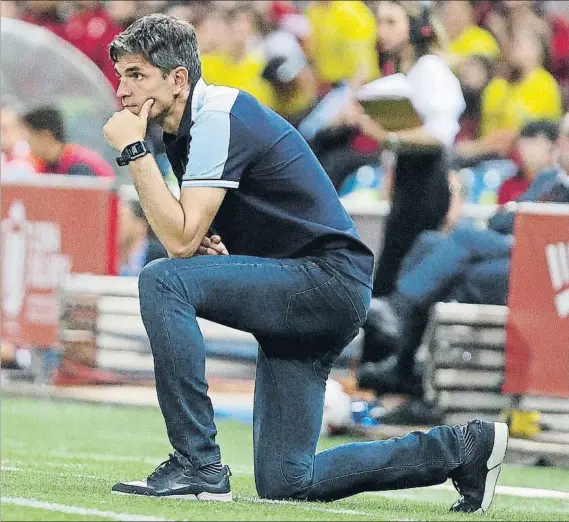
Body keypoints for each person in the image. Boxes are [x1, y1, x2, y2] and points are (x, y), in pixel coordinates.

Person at [102, 14, 508, 513]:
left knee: (163, 281)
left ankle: (197, 464)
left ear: (178, 78)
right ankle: (463, 449)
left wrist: (135, 152)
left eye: (137, 75)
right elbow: (187, 234)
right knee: (287, 481)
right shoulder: (187, 124)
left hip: (324, 283)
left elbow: (178, 241)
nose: (123, 89)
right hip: (314, 285)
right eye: (122, 75)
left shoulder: (216, 116)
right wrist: (219, 245)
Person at [360, 114, 569, 406]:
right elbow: (500, 220)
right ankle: (405, 363)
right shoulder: (549, 179)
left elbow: (534, 225)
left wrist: (523, 222)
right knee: (429, 243)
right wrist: (522, 222)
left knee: (465, 239)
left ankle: (398, 313)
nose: (565, 146)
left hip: (546, 267)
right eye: (564, 139)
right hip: (511, 248)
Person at [353, 1, 465, 365]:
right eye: (379, 22)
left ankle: (391, 367)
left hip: (427, 184)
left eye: (391, 21)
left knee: (402, 273)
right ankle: (378, 368)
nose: (381, 30)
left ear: (415, 26)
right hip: (409, 181)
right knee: (391, 271)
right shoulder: (405, 70)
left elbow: (439, 136)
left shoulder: (430, 69)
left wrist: (386, 136)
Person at [22, 105, 115, 178]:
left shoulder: (80, 167)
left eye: (30, 137)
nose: (27, 142)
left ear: (46, 136)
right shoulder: (47, 165)